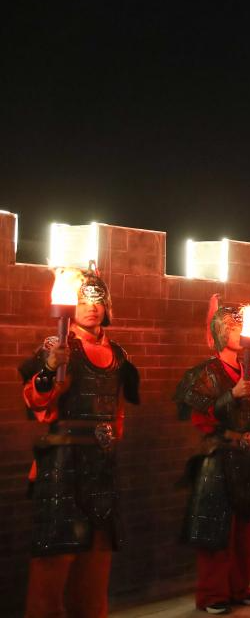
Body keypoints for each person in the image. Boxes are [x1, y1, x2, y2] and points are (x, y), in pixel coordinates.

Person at [19, 264, 139, 618]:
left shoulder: (119, 354)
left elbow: (118, 410)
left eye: (98, 300)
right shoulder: (56, 347)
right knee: (56, 554)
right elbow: (36, 401)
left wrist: (110, 437)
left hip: (101, 464)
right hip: (63, 463)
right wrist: (48, 369)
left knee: (96, 557)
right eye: (84, 300)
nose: (92, 307)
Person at [175, 295, 250, 615]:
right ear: (220, 331)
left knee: (244, 527)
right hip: (218, 458)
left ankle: (240, 588)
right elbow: (201, 419)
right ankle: (212, 594)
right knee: (216, 530)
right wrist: (232, 395)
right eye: (234, 327)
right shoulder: (205, 373)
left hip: (246, 458)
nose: (240, 332)